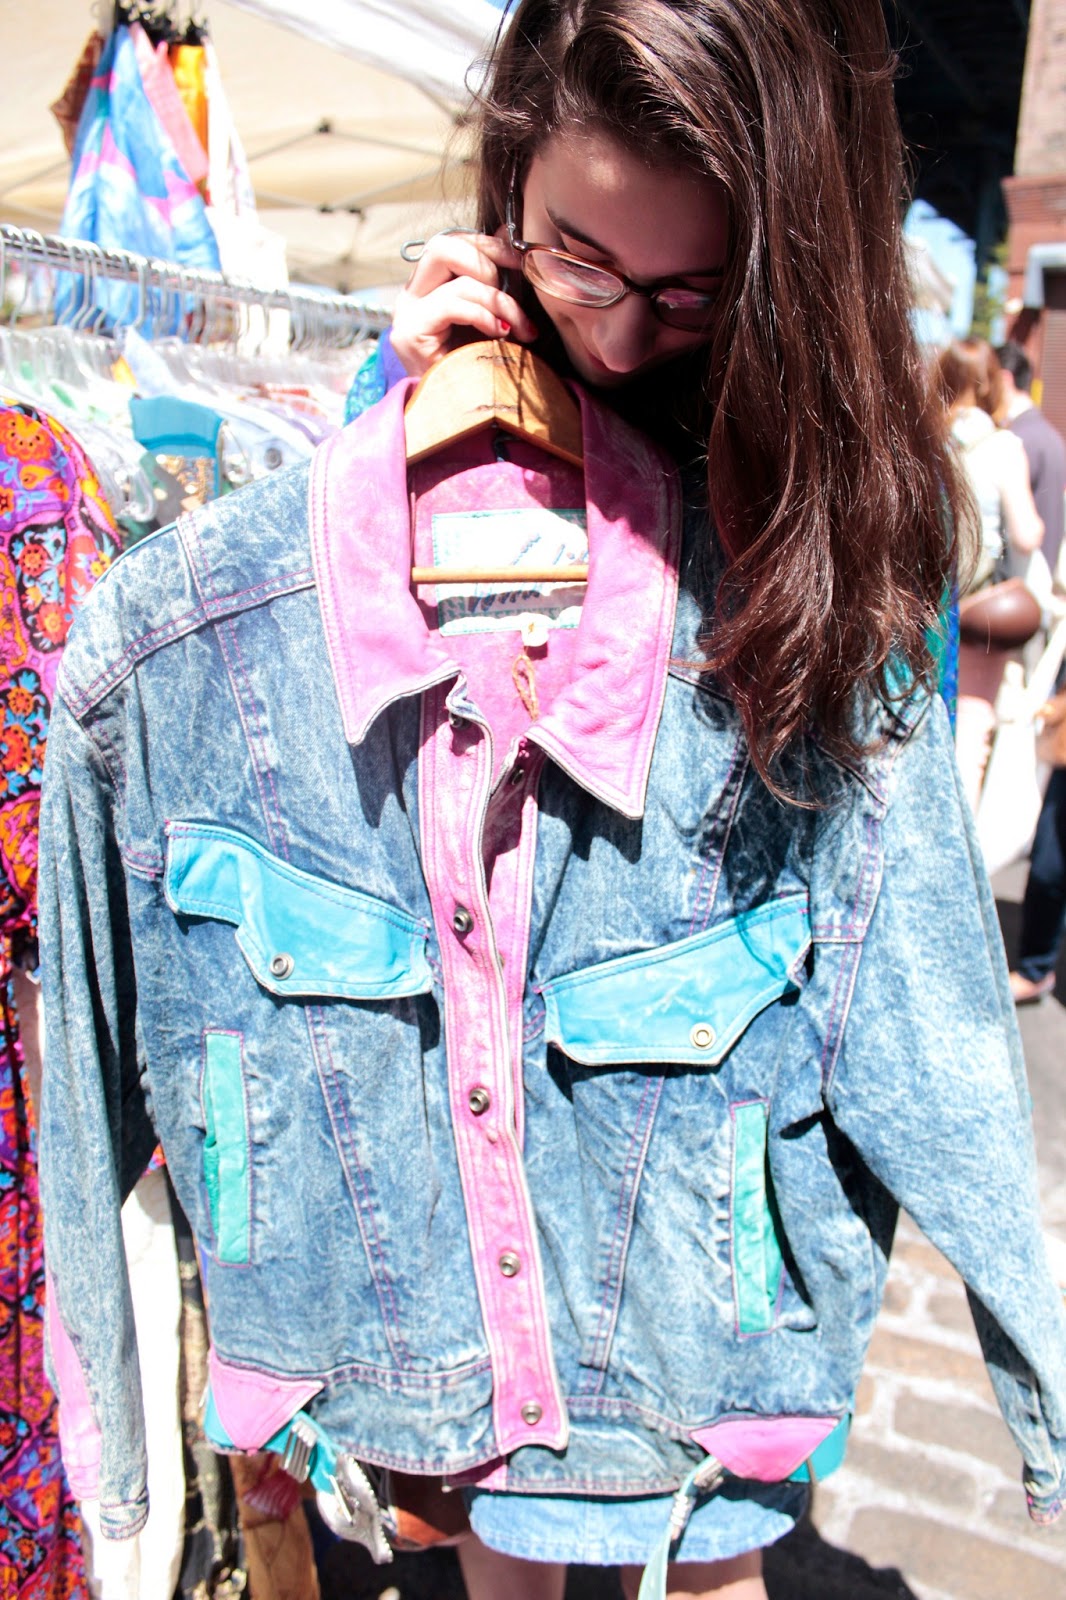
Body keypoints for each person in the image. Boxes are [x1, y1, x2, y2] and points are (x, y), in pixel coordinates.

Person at [36, 7, 1066, 1600]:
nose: (623, 337)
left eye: (688, 291)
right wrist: (407, 422)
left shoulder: (829, 523)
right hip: (419, 1304)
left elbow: (928, 1030)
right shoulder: (183, 636)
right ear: (507, 183)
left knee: (706, 1547)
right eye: (578, 258)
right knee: (495, 1540)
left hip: (696, 1306)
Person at [933, 338, 1043, 813]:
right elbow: (1027, 534)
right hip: (979, 609)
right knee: (971, 733)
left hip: (925, 603)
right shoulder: (1004, 446)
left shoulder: (922, 438)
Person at [996, 339, 1066, 586]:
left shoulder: (1014, 441)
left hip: (1017, 589)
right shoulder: (1051, 436)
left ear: (1004, 379)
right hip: (1041, 585)